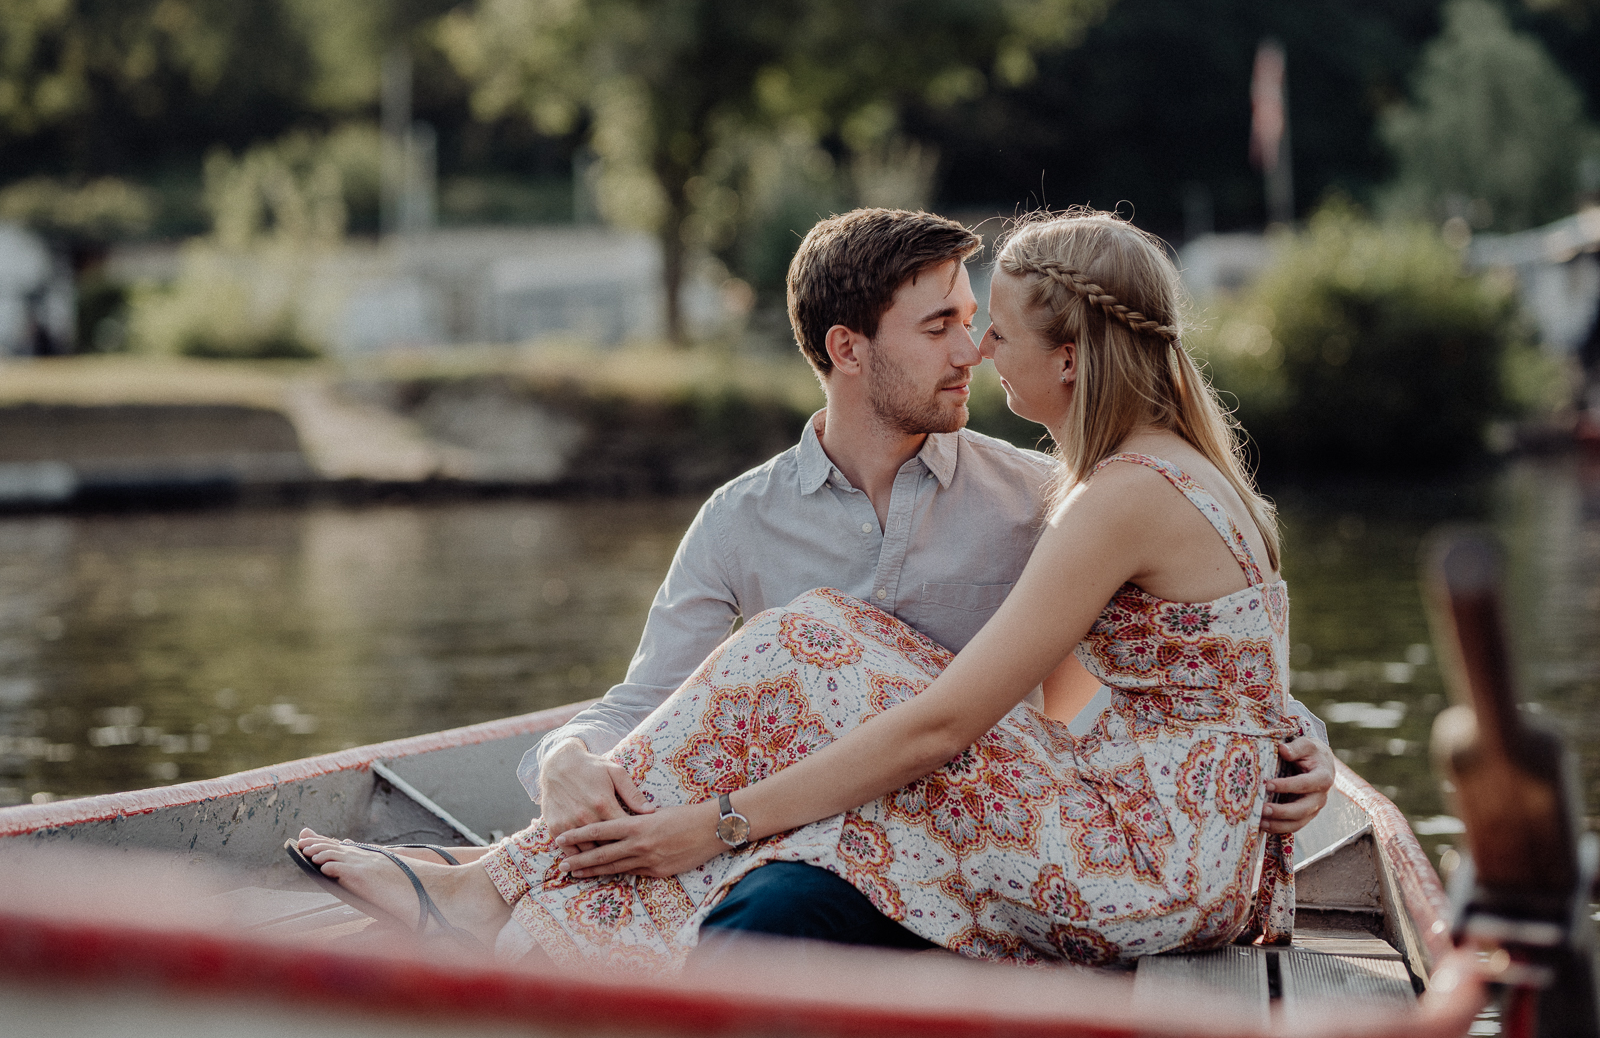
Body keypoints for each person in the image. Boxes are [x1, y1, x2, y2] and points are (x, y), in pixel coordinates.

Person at [294, 207, 1323, 967]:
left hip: (1140, 855)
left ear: (1070, 354)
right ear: (846, 348)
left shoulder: (1071, 499)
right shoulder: (751, 515)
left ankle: (496, 888)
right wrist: (568, 754)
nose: (974, 351)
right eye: (947, 327)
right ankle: (513, 903)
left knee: (815, 648)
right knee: (801, 746)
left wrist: (1296, 738)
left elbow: (970, 716)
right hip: (1093, 826)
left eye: (990, 329)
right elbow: (1172, 680)